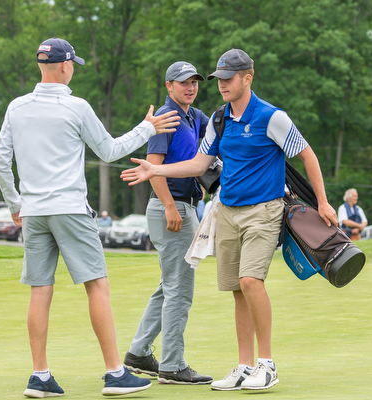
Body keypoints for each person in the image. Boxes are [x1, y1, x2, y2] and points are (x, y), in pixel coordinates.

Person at [120, 48, 337, 391]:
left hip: (264, 211)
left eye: (228, 78)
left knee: (251, 281)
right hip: (226, 212)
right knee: (237, 290)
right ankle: (244, 365)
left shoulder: (272, 116)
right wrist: (155, 169)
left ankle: (266, 364)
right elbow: (199, 164)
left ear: (247, 78)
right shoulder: (219, 118)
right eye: (218, 79)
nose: (221, 85)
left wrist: (323, 202)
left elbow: (307, 155)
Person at [0, 37, 180, 397]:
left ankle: (40, 376)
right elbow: (109, 151)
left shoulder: (16, 107)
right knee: (97, 284)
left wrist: (15, 204)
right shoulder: (76, 106)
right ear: (65, 66)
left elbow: (2, 161)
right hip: (70, 209)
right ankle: (114, 373)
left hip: (33, 212)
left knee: (40, 290)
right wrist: (148, 128)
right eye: (72, 64)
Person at [122, 61, 212, 385]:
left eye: (194, 82)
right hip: (170, 209)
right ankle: (173, 366)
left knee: (169, 287)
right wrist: (171, 207)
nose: (190, 87)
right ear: (169, 86)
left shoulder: (193, 117)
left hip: (183, 208)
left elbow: (217, 126)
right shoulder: (166, 117)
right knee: (180, 292)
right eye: (183, 82)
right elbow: (152, 167)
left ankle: (138, 353)